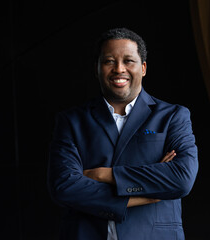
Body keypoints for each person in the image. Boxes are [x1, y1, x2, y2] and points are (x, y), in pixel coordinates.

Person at [47, 27, 198, 240]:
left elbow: (182, 179)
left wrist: (104, 175)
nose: (119, 69)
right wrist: (145, 194)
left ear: (143, 68)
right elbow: (64, 186)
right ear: (97, 68)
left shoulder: (173, 116)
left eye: (128, 61)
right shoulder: (72, 121)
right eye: (109, 61)